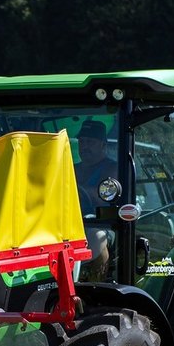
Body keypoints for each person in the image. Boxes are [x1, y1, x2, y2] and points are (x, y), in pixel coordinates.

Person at [74, 120, 116, 280]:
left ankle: (97, 283)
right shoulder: (72, 168)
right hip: (72, 223)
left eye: (90, 142)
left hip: (103, 224)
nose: (84, 146)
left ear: (103, 145)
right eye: (82, 142)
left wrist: (81, 190)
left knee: (96, 236)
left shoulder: (112, 169)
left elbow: (104, 198)